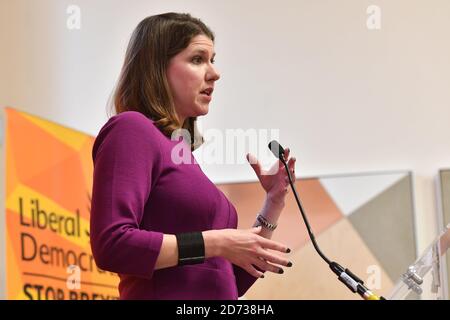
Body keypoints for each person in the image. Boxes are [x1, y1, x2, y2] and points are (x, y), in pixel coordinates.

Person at [90, 12, 297, 300]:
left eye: (213, 60)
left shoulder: (182, 155)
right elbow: (112, 245)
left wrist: (273, 202)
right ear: (157, 67)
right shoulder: (131, 129)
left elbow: (226, 283)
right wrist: (215, 242)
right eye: (198, 59)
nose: (215, 73)